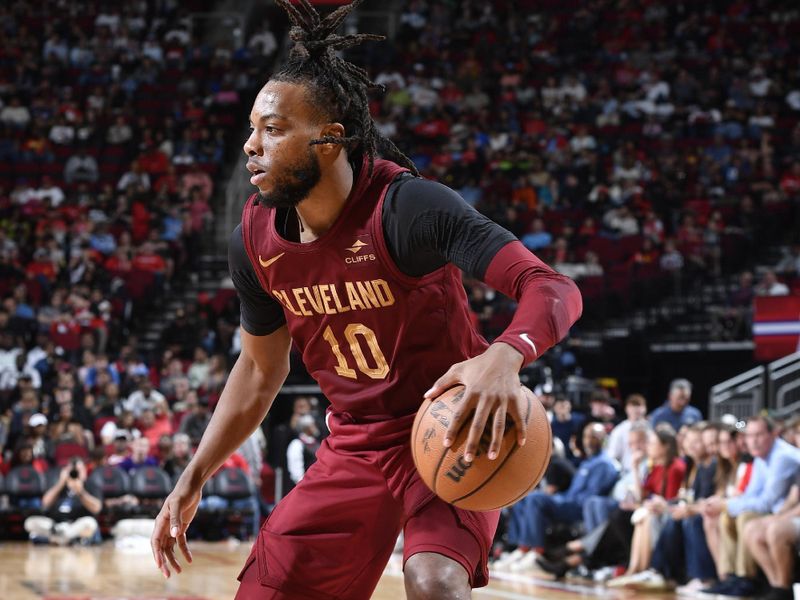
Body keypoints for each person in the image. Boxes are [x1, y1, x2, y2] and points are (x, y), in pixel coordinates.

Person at [149, 2, 582, 598]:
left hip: (450, 427)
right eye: (252, 129)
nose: (251, 145)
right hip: (354, 443)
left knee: (435, 583)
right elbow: (257, 368)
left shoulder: (409, 209)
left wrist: (505, 355)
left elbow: (552, 286)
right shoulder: (252, 239)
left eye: (272, 130)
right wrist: (193, 477)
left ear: (329, 141)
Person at [700, 416, 800, 598]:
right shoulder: (761, 456)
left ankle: (758, 582)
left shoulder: (783, 457)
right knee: (731, 518)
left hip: (780, 513)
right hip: (781, 511)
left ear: (773, 434)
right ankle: (739, 578)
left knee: (752, 520)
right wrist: (726, 505)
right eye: (749, 435)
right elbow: (753, 495)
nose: (752, 440)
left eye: (758, 435)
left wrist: (726, 504)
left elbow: (766, 502)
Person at [23, 458, 102, 545]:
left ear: (84, 471)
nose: (74, 474)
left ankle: (54, 539)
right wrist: (61, 483)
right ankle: (68, 540)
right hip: (55, 526)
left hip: (75, 525)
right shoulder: (59, 485)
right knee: (30, 522)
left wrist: (81, 492)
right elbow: (45, 503)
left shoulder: (90, 486)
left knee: (90, 523)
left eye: (78, 471)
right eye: (72, 471)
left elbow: (97, 508)